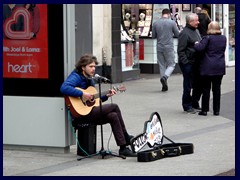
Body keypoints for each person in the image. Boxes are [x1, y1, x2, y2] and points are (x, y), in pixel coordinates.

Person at [60, 54, 136, 157]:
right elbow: (64, 88)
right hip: (80, 115)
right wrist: (82, 93)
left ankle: (123, 148)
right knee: (114, 106)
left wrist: (106, 96)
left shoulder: (91, 79)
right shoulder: (76, 76)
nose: (93, 69)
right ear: (83, 67)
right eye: (90, 66)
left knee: (113, 116)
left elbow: (94, 100)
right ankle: (126, 137)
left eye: (94, 66)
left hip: (90, 112)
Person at [194, 21, 226, 116]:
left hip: (207, 67)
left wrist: (196, 43)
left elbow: (199, 48)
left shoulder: (207, 38)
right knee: (217, 89)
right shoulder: (223, 38)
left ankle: (204, 110)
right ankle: (216, 110)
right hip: (219, 66)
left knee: (206, 89)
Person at [177, 13, 202, 113]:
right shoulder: (184, 33)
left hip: (196, 62)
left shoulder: (196, 30)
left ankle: (194, 102)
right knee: (188, 85)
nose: (198, 22)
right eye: (196, 20)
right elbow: (181, 50)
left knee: (197, 84)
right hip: (188, 63)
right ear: (190, 21)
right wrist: (186, 63)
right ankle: (187, 105)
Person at [152, 8, 179, 92]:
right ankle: (165, 77)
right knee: (171, 64)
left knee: (161, 65)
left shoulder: (155, 23)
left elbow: (153, 36)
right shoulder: (172, 23)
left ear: (162, 14)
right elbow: (177, 34)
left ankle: (164, 84)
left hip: (159, 46)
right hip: (169, 46)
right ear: (169, 14)